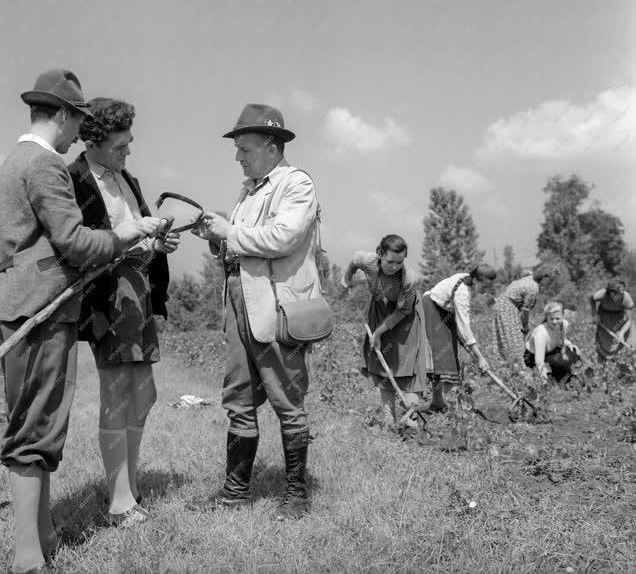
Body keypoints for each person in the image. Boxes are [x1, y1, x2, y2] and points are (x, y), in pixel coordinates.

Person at [0, 70, 161, 573]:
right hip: (38, 310)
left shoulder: (13, 160)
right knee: (35, 429)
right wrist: (127, 234)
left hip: (19, 303)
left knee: (36, 422)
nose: (75, 135)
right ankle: (27, 560)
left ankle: (42, 536)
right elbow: (76, 242)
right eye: (76, 120)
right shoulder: (44, 164)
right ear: (62, 115)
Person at [190, 104, 324, 520]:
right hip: (239, 306)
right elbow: (242, 247)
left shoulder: (296, 184)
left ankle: (296, 495)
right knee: (239, 397)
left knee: (287, 397)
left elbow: (282, 237)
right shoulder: (249, 190)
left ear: (270, 145)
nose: (238, 157)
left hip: (277, 310)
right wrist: (217, 237)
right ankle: (235, 493)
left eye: (244, 148)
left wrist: (230, 232)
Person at [67, 98, 180, 528]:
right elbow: (78, 244)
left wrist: (158, 245)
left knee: (143, 393)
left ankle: (129, 486)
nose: (128, 151)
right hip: (105, 297)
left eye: (130, 143)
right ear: (93, 141)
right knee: (117, 393)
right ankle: (119, 502)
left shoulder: (126, 178)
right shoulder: (75, 180)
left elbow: (138, 238)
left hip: (138, 292)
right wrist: (129, 235)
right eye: (120, 145)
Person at [342, 235, 426, 429]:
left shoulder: (409, 279)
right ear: (380, 254)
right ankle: (389, 421)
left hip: (406, 316)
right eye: (390, 262)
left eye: (400, 262)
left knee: (407, 363)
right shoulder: (368, 260)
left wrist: (379, 333)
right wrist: (347, 279)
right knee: (383, 362)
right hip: (380, 306)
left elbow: (403, 310)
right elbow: (354, 260)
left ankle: (410, 422)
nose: (395, 266)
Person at [421, 265, 497, 413]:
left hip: (444, 311)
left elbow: (461, 322)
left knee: (447, 357)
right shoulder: (463, 292)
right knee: (445, 359)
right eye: (484, 286)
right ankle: (452, 409)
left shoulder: (467, 281)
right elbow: (464, 326)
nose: (486, 290)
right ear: (475, 280)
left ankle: (438, 402)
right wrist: (480, 357)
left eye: (489, 287)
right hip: (432, 309)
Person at [492, 264, 553, 376]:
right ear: (544, 277)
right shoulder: (533, 288)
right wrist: (526, 327)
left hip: (502, 305)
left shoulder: (528, 279)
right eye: (549, 280)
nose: (550, 283)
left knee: (507, 341)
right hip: (507, 309)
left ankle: (510, 370)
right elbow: (525, 311)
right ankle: (518, 372)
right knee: (514, 343)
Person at [524, 301, 581, 383]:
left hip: (551, 352)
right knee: (558, 363)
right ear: (547, 317)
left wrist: (570, 344)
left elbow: (562, 339)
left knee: (573, 352)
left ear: (563, 316)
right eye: (551, 319)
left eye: (557, 318)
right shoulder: (541, 333)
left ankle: (564, 377)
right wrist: (542, 377)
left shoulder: (564, 324)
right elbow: (539, 360)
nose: (554, 322)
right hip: (533, 357)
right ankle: (550, 377)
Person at [589, 279, 634, 362]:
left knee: (618, 341)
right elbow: (592, 298)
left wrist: (622, 332)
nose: (619, 295)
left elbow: (629, 319)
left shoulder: (626, 297)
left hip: (619, 320)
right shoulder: (603, 294)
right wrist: (594, 313)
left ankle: (617, 360)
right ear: (610, 291)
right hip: (604, 318)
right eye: (616, 293)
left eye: (621, 292)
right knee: (603, 340)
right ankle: (602, 360)